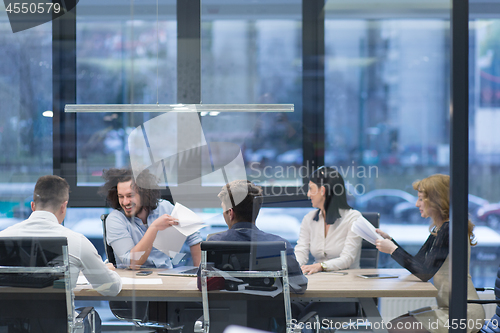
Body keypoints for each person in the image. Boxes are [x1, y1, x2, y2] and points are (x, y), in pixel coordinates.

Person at [0, 175, 122, 333]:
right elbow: (111, 288)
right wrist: (109, 272)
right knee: (93, 316)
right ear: (64, 207)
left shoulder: (3, 239)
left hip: (11, 329)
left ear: (32, 206)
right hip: (58, 329)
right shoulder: (76, 241)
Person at [375, 174, 484, 333]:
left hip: (464, 314)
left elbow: (424, 272)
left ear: (437, 201)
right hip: (451, 309)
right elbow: (419, 262)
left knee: (393, 328)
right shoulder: (441, 229)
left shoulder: (450, 229)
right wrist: (391, 242)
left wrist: (392, 249)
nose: (416, 203)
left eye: (421, 199)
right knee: (394, 324)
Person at [204, 180, 307, 332]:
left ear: (231, 213)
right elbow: (300, 286)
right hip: (269, 325)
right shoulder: (279, 245)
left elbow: (202, 284)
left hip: (224, 324)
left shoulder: (213, 244)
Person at [100, 168, 202, 269]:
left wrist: (199, 272)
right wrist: (154, 228)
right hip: (132, 281)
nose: (125, 202)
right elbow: (132, 263)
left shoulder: (165, 207)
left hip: (166, 277)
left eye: (130, 195)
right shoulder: (115, 219)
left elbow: (193, 235)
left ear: (144, 193)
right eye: (121, 196)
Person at [294, 166, 363, 274]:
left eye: (311, 189)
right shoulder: (309, 219)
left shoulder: (353, 218)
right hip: (319, 279)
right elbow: (301, 251)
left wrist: (320, 266)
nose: (308, 194)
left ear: (322, 190)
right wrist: (293, 267)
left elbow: (348, 258)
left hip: (348, 281)